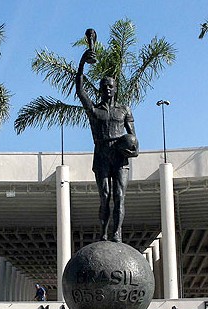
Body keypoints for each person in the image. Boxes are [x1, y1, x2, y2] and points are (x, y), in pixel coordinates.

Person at [76, 44, 139, 243]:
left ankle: (116, 233)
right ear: (101, 89)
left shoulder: (124, 110)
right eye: (104, 86)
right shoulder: (95, 111)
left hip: (120, 156)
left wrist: (133, 150)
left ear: (116, 89)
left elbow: (134, 138)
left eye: (111, 86)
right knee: (105, 196)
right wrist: (82, 63)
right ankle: (103, 232)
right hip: (102, 153)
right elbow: (80, 90)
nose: (108, 89)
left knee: (119, 196)